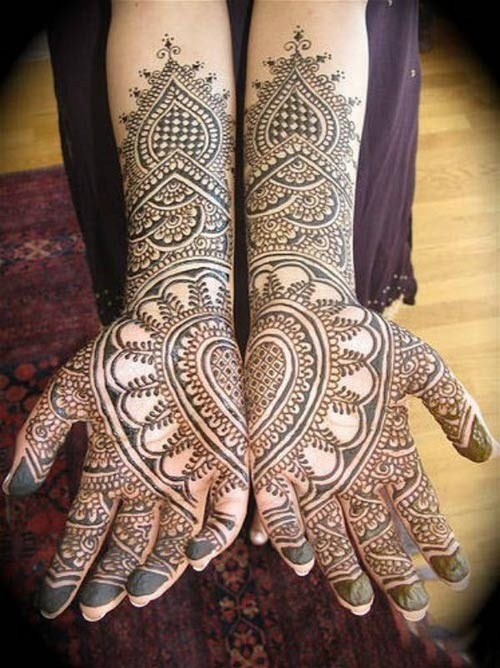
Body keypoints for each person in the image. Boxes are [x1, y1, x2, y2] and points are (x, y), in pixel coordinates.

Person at [2, 0, 497, 664]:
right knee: (154, 308)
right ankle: (244, 468)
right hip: (145, 73)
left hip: (334, 87)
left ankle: (268, 474)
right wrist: (175, 292)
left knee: (344, 322)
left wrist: (309, 288)